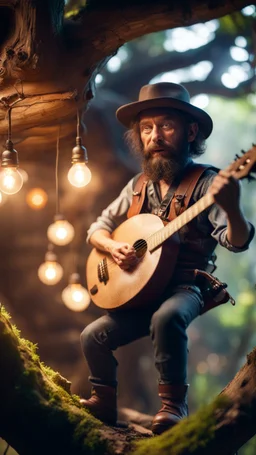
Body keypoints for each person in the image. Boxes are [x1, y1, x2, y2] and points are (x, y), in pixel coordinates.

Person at [80, 82, 254, 434]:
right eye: (146, 128)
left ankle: (174, 407)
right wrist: (113, 247)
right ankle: (103, 402)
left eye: (166, 126)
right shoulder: (137, 185)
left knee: (168, 317)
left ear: (191, 132)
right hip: (140, 293)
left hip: (185, 287)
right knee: (92, 336)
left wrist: (233, 210)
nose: (154, 136)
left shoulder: (208, 183)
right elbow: (97, 229)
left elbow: (237, 242)